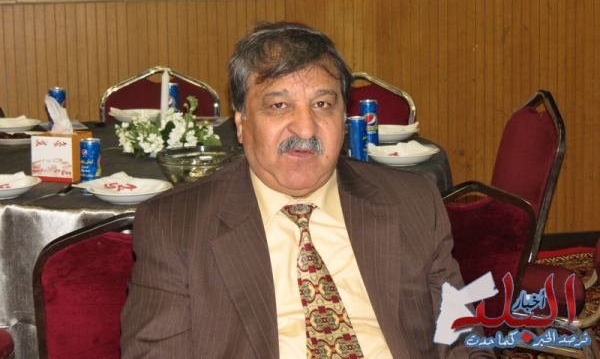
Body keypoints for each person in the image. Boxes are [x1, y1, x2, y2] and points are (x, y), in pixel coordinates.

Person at [120, 21, 494, 358]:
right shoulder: (176, 226)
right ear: (242, 122)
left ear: (344, 118)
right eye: (279, 105)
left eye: (322, 104)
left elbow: (463, 340)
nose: (305, 128)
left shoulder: (413, 203)